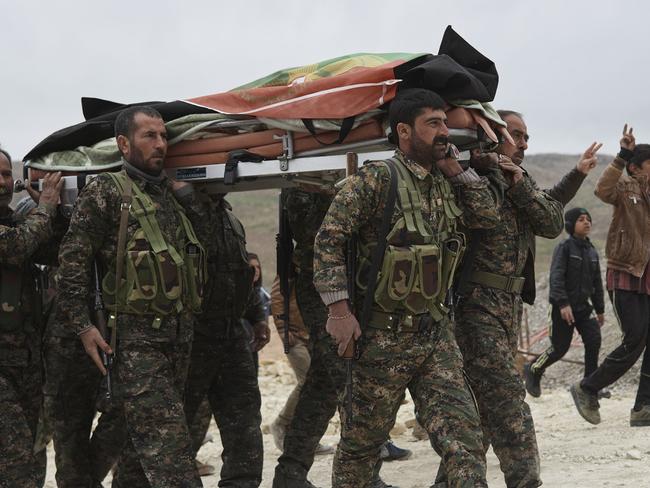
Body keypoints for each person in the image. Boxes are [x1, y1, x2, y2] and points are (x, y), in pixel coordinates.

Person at [313, 88, 499, 488]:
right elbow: (328, 239)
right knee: (361, 448)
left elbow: (487, 218)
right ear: (403, 131)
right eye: (433, 124)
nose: (444, 131)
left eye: (446, 122)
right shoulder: (377, 179)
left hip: (435, 336)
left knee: (464, 442)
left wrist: (459, 172)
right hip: (382, 339)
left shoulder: (444, 182)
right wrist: (339, 312)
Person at [57, 106, 208, 487]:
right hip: (136, 346)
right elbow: (72, 261)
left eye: (163, 136)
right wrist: (83, 327)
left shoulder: (172, 197)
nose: (161, 144)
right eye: (149, 136)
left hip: (179, 342)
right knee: (173, 461)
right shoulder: (108, 192)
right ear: (123, 144)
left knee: (140, 459)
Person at [432, 110, 564, 488]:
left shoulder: (518, 179)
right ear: (493, 134)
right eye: (517, 135)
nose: (524, 144)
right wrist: (490, 173)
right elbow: (482, 218)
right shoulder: (474, 179)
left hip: (508, 306)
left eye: (527, 138)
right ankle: (526, 481)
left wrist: (518, 182)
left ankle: (449, 482)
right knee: (507, 399)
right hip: (477, 305)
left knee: (481, 405)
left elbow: (552, 222)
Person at [272, 188, 411, 488]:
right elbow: (315, 235)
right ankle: (365, 476)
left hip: (345, 287)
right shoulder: (301, 185)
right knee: (349, 381)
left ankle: (290, 473)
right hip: (321, 289)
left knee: (321, 388)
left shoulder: (339, 178)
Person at [183, 193, 266, 488]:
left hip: (231, 336)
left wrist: (258, 316)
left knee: (245, 427)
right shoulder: (176, 211)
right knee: (174, 431)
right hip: (190, 339)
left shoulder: (229, 219)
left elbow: (240, 272)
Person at [571, 125, 650, 427]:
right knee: (635, 338)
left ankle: (643, 406)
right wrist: (620, 157)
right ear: (636, 168)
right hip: (625, 275)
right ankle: (587, 387)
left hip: (648, 277)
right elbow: (602, 190)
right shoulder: (626, 188)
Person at [0, 147, 62, 487]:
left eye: (7, 174)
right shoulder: (19, 231)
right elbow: (17, 246)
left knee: (35, 452)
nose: (2, 182)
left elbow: (57, 249)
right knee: (15, 458)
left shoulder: (22, 223)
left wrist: (57, 213)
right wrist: (47, 207)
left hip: (27, 363)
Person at [524, 207, 605, 397]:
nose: (587, 223)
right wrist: (562, 303)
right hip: (563, 308)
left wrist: (600, 309)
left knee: (594, 340)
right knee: (560, 348)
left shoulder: (592, 251)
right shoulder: (565, 248)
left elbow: (597, 283)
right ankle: (534, 368)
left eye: (588, 219)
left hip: (583, 307)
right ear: (570, 225)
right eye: (581, 219)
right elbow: (556, 277)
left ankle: (589, 386)